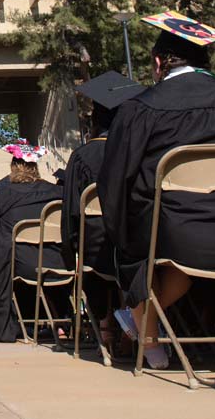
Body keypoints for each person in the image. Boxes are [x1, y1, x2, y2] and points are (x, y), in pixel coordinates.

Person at [97, 11, 215, 370]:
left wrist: (121, 234)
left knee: (142, 239)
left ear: (159, 62)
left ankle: (147, 333)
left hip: (175, 234)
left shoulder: (142, 108)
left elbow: (115, 183)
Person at [0, 140, 66, 343]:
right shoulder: (58, 193)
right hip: (59, 262)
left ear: (14, 168)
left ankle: (14, 320)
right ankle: (63, 320)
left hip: (19, 264)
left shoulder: (4, 195)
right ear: (35, 167)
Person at [63, 71, 144, 279]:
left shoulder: (84, 155)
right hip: (143, 244)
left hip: (99, 252)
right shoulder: (141, 148)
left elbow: (72, 212)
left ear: (97, 117)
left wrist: (70, 251)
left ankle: (106, 313)